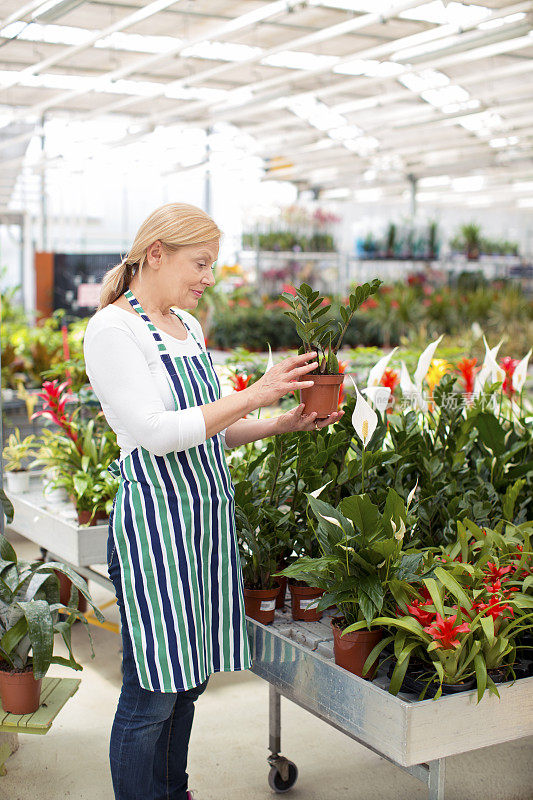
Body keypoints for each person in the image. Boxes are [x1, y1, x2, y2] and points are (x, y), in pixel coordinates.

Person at [83, 202, 343, 800]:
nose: (207, 278)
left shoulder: (188, 327)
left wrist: (278, 422)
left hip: (203, 526)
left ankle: (174, 791)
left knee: (189, 681)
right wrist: (254, 393)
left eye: (212, 266)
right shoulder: (113, 330)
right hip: (155, 529)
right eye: (200, 263)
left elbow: (210, 429)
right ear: (157, 254)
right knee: (152, 691)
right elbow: (159, 432)